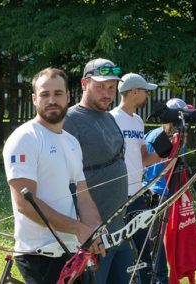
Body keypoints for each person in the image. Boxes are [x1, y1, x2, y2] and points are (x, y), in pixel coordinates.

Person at [3, 67, 104, 284]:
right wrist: (78, 228)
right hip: (39, 255)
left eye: (58, 94)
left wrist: (94, 231)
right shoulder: (24, 139)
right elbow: (25, 204)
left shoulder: (71, 141)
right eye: (45, 94)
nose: (52, 100)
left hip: (71, 253)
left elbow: (83, 195)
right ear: (34, 99)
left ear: (68, 97)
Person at [63, 58, 131, 283]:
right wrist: (84, 228)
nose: (107, 93)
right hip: (93, 236)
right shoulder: (70, 120)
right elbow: (65, 179)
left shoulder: (109, 117)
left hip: (118, 230)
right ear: (84, 84)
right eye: (100, 86)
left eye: (111, 87)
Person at [110, 73, 163, 283]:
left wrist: (166, 147)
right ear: (133, 92)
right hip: (116, 195)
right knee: (116, 248)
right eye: (144, 91)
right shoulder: (112, 119)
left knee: (144, 247)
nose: (147, 95)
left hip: (137, 193)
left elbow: (144, 159)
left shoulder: (138, 121)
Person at [142, 98, 190, 284]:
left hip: (156, 190)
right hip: (162, 192)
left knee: (156, 239)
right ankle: (160, 278)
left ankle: (158, 276)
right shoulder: (169, 137)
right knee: (160, 240)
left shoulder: (155, 133)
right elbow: (167, 165)